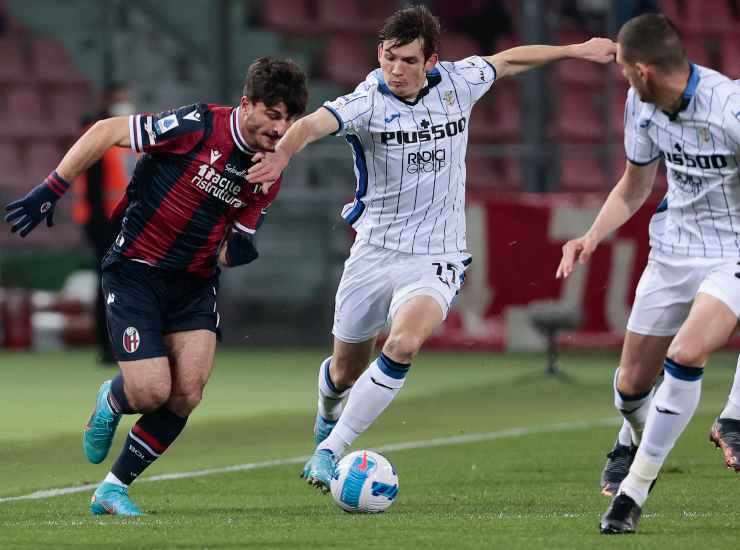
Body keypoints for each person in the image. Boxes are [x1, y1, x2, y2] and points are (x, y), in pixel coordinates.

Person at [245, 5, 616, 491]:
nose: (396, 70)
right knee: (343, 370)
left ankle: (329, 450)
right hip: (374, 253)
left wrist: (574, 50)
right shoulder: (366, 102)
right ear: (380, 52)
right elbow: (313, 124)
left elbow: (510, 61)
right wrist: (282, 154)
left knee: (403, 344)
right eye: (390, 58)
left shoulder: (459, 83)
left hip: (436, 256)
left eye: (409, 61)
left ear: (431, 62)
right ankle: (328, 412)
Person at [4, 57, 308, 515]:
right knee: (149, 393)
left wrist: (241, 248)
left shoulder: (269, 171)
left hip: (194, 283)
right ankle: (112, 398)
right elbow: (106, 131)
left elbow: (232, 247)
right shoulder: (198, 125)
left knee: (187, 391)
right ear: (247, 104)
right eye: (273, 114)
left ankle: (111, 489)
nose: (280, 128)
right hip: (136, 270)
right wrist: (53, 186)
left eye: (289, 119)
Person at [555, 14, 740, 534]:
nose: (621, 80)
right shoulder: (641, 105)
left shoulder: (729, 108)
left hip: (732, 251)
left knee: (686, 354)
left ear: (643, 70)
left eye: (622, 70)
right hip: (672, 250)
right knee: (631, 386)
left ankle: (634, 491)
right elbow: (635, 188)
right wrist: (592, 235)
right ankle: (632, 434)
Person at [75, 83, 137, 364]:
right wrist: (97, 225)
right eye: (120, 99)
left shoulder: (128, 137)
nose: (125, 104)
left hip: (128, 220)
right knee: (109, 285)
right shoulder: (98, 135)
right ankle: (108, 345)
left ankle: (128, 342)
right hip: (105, 223)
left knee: (128, 285)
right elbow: (93, 186)